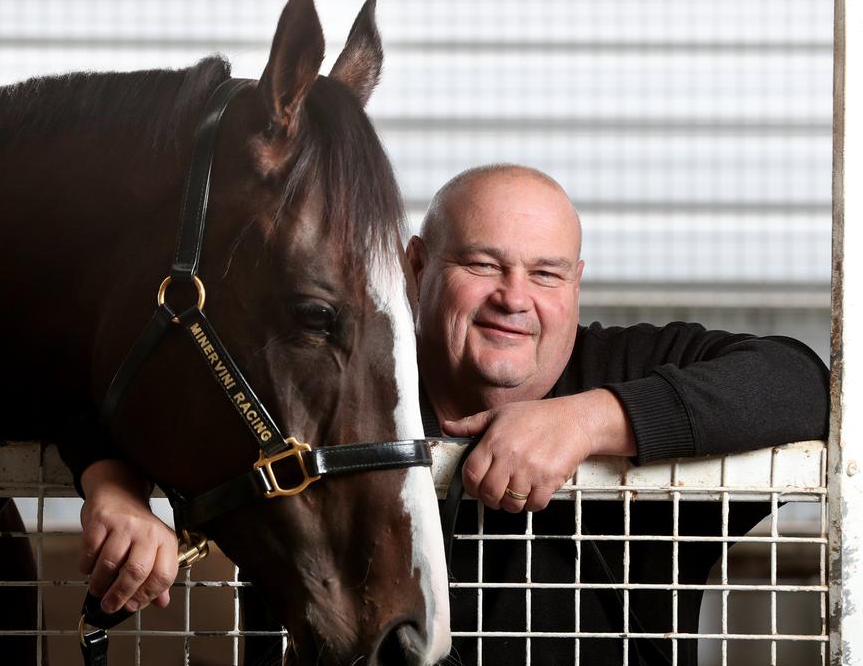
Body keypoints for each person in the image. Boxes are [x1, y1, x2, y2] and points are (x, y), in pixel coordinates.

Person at [77, 163, 830, 664]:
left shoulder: (624, 369)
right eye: (483, 264)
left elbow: (801, 384)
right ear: (414, 266)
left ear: (578, 284)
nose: (515, 298)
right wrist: (115, 488)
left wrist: (587, 422)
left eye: (547, 273)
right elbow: (112, 385)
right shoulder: (326, 375)